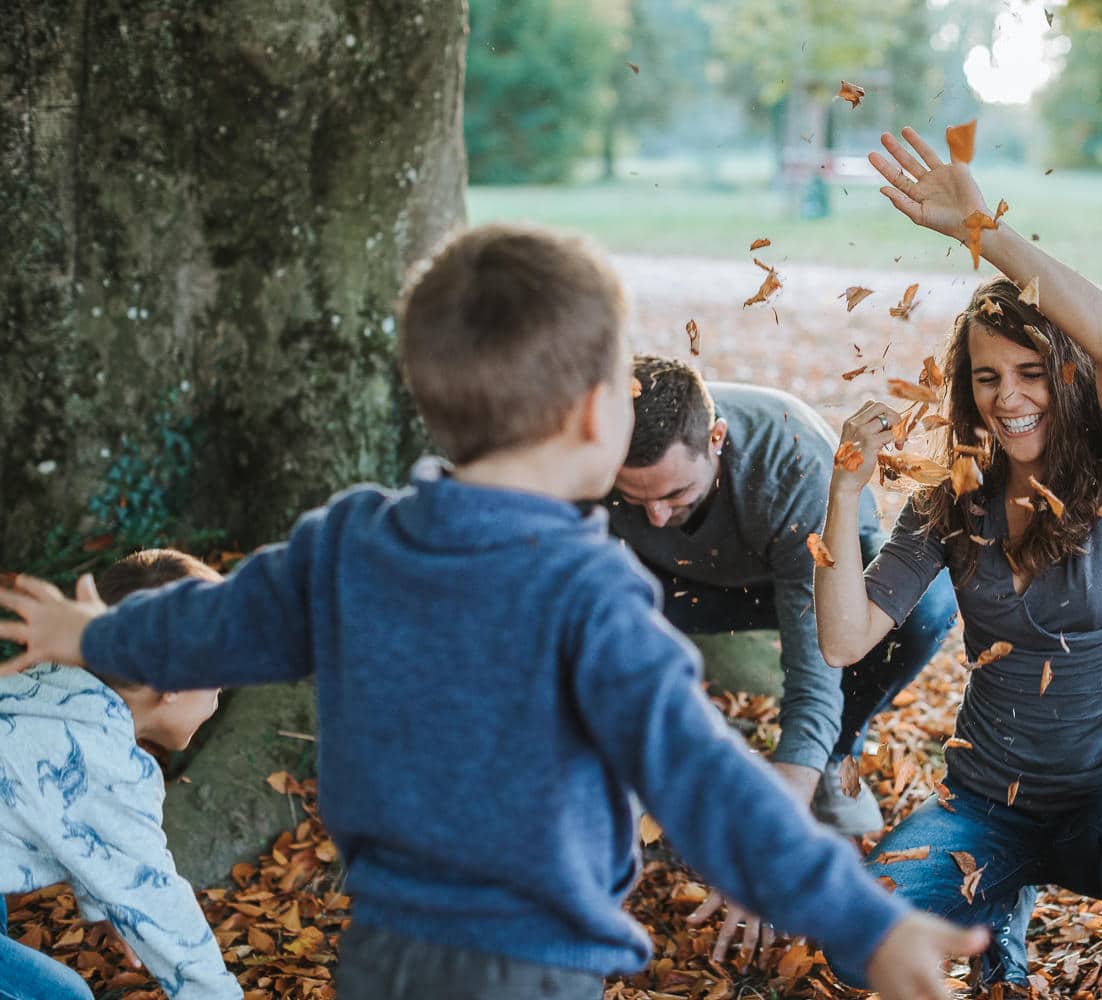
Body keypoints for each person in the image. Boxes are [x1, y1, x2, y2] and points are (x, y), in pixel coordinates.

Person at [0, 223, 987, 1000]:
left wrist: (88, 637)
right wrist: (868, 923)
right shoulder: (593, 596)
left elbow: (203, 630)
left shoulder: (348, 542)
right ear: (601, 414)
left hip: (380, 950)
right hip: (532, 966)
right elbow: (709, 782)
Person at [813, 127, 1102, 1000]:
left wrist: (978, 230)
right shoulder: (952, 498)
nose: (1010, 397)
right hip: (987, 803)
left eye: (1031, 371)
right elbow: (842, 639)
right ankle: (1001, 925)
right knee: (854, 944)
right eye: (988, 379)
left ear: (1065, 375)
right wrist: (845, 493)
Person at [612, 357, 1019, 966]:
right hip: (674, 587)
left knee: (926, 607)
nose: (658, 517)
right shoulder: (597, 444)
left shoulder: (787, 459)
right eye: (634, 498)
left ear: (716, 439)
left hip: (798, 574)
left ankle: (832, 754)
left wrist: (776, 831)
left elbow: (816, 664)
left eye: (675, 493)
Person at [1, 549, 240, 1000]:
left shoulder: (46, 690)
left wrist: (106, 904)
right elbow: (163, 909)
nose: (221, 690)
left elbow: (67, 819)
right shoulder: (112, 769)